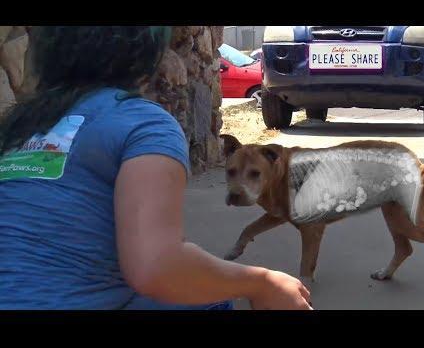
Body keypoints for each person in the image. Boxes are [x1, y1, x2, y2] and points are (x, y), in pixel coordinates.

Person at [0, 26, 312, 310]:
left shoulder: (19, 126)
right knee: (211, 298)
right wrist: (262, 283)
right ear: (146, 55)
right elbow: (156, 266)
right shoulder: (142, 123)